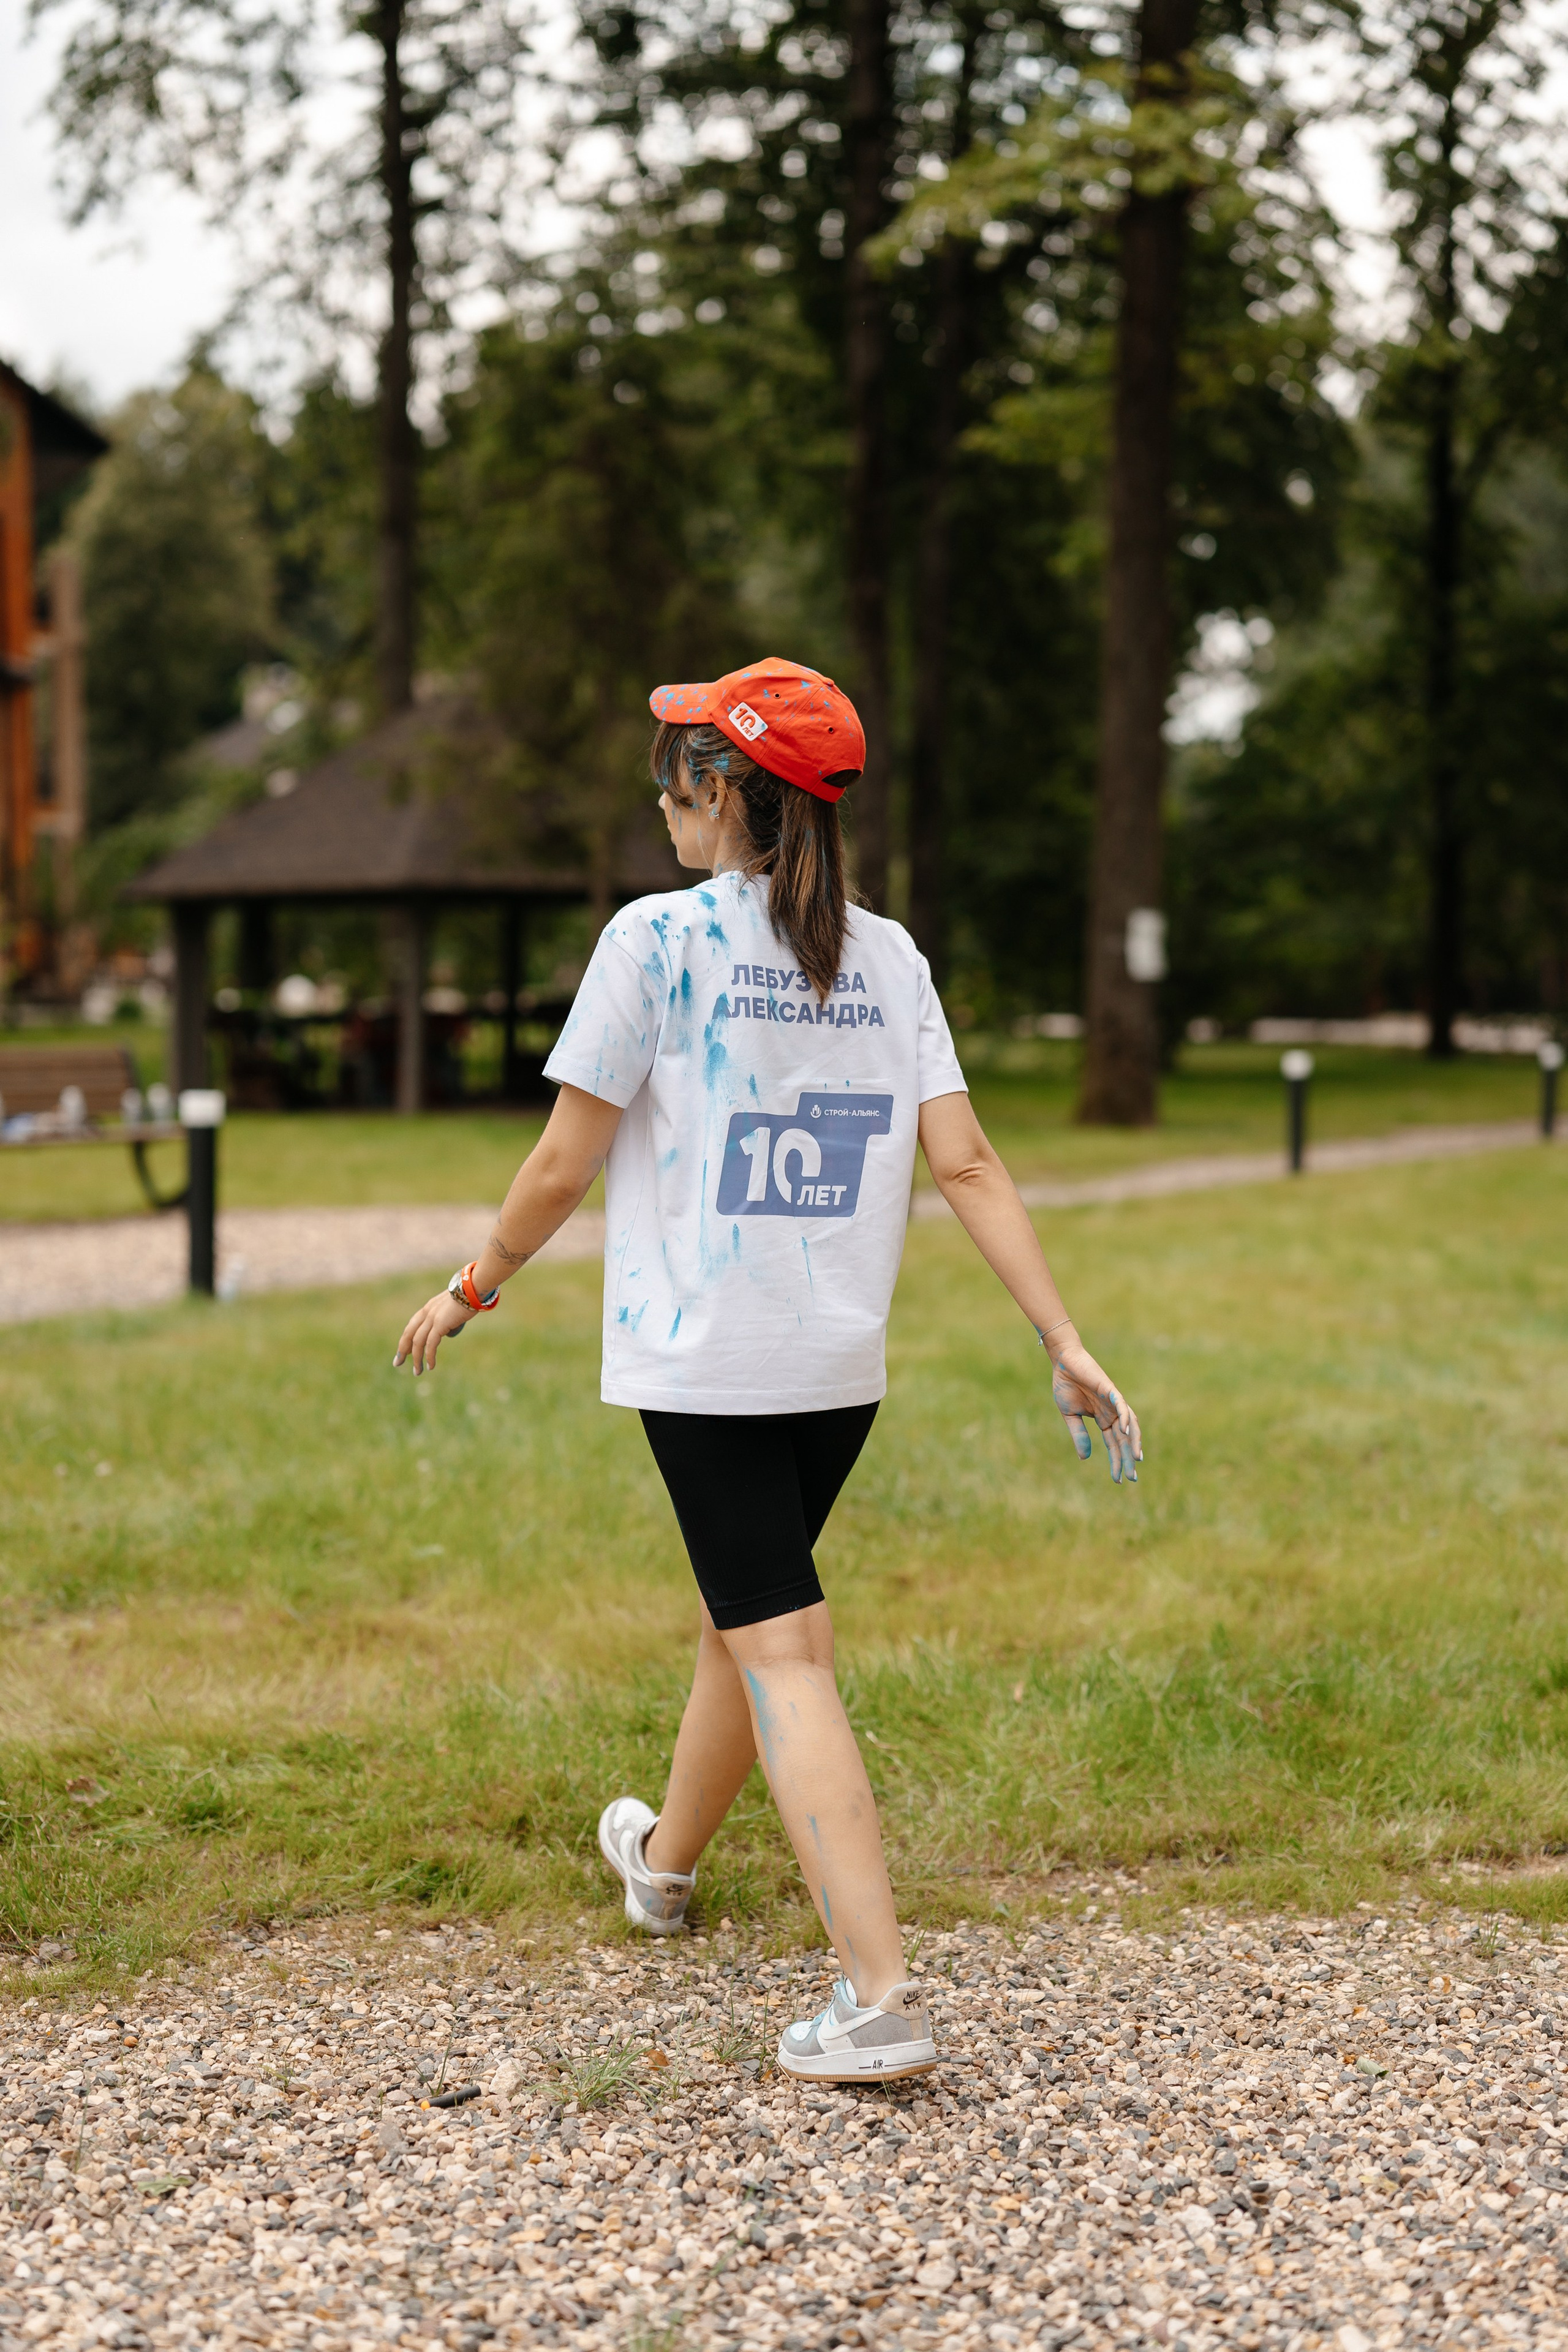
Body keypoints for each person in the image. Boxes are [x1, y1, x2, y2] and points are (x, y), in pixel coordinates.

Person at [394, 657, 1142, 2083]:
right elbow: (968, 1161)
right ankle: (662, 1866)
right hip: (835, 1368)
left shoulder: (655, 942)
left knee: (781, 1645)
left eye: (673, 771)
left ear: (722, 789)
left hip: (709, 1365)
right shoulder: (891, 955)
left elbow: (565, 1156)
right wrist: (1060, 1335)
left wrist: (472, 1284)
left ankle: (877, 1999)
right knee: (738, 1617)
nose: (660, 798)